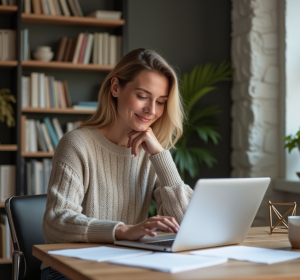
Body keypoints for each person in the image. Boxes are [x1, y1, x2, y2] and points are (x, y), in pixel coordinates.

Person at [41, 48, 193, 280]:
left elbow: (188, 225)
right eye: (143, 96)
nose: (152, 111)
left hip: (128, 265)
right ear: (115, 88)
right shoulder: (77, 143)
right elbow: (56, 222)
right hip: (70, 268)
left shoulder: (152, 152)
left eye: (161, 102)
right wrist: (122, 230)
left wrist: (161, 156)